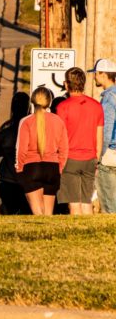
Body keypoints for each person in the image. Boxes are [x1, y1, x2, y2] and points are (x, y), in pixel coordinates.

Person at [55, 67, 104, 215]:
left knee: (74, 202)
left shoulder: (62, 107)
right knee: (86, 200)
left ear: (66, 84)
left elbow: (60, 137)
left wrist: (60, 161)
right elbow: (99, 136)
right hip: (90, 158)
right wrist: (97, 160)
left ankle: (77, 233)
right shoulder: (96, 106)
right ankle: (89, 232)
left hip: (70, 158)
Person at [16, 86, 69, 216]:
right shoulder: (58, 121)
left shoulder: (26, 121)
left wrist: (19, 169)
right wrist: (60, 167)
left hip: (31, 167)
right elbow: (64, 149)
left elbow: (21, 150)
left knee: (38, 214)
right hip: (52, 168)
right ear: (49, 102)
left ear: (33, 101)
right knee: (48, 215)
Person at [0, 91, 31, 215]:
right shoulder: (33, 128)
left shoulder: (6, 130)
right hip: (28, 178)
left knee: (8, 211)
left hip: (8, 177)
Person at [90, 58, 116, 213]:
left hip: (110, 153)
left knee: (109, 203)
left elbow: (106, 130)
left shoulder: (108, 98)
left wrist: (99, 156)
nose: (94, 77)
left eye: (96, 74)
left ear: (104, 75)